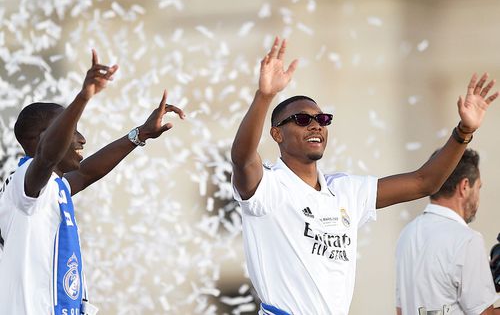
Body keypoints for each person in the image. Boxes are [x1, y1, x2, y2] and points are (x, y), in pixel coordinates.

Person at [230, 36, 498, 315]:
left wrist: (464, 131)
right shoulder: (270, 186)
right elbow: (242, 158)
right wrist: (265, 96)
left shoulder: (345, 190)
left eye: (322, 120)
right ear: (277, 134)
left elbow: (424, 182)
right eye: (302, 119)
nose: (315, 126)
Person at [0, 50, 185, 314]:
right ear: (44, 138)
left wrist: (139, 134)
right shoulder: (24, 184)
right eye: (72, 129)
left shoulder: (52, 186)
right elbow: (45, 158)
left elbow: (86, 174)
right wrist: (83, 97)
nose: (82, 138)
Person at [395, 149, 499, 315]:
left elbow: (401, 310)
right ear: (465, 186)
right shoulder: (467, 240)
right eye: (478, 188)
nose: (478, 198)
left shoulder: (407, 234)